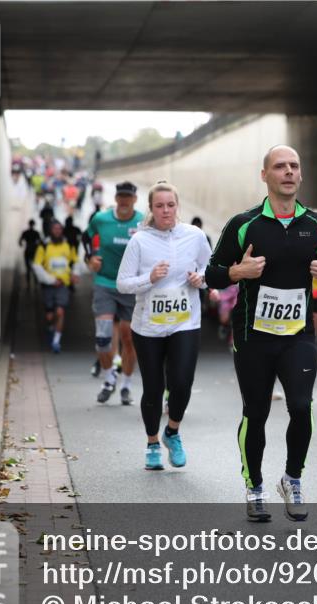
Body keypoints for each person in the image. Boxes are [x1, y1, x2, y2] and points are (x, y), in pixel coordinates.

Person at [206, 145, 317, 522]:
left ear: (300, 175)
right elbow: (211, 273)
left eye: (294, 166)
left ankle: (292, 479)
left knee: (301, 406)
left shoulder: (314, 225)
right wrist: (237, 273)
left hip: (298, 335)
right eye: (279, 166)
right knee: (257, 411)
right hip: (253, 336)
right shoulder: (244, 224)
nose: (288, 172)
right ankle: (254, 486)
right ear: (264, 175)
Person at [117, 182, 210, 471]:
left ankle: (172, 432)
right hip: (148, 327)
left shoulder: (194, 236)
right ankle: (152, 444)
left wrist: (201, 279)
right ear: (151, 209)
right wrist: (150, 279)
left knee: (182, 383)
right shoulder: (140, 241)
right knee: (154, 388)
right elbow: (123, 283)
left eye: (170, 205)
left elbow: (212, 270)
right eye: (160, 206)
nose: (166, 210)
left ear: (177, 206)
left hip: (185, 322)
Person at [87, 181, 143, 406]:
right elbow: (86, 238)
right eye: (120, 196)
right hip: (105, 283)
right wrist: (90, 258)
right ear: (116, 198)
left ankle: (126, 386)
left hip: (130, 287)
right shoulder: (101, 219)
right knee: (103, 339)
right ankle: (110, 378)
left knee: (129, 338)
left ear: (134, 199)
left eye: (128, 197)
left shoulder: (143, 221)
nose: (123, 200)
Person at [32, 220, 80, 353]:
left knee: (60, 311)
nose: (58, 231)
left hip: (63, 285)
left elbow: (75, 261)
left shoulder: (68, 244)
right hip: (48, 285)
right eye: (55, 229)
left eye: (60, 229)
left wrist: (75, 274)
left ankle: (56, 341)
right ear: (50, 230)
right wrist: (50, 280)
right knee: (49, 316)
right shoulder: (44, 246)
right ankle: (50, 328)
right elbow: (36, 265)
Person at [19, 219, 42, 289]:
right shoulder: (36, 233)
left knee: (28, 268)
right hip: (34, 251)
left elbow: (20, 242)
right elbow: (40, 242)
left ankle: (29, 283)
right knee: (35, 267)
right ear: (34, 225)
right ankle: (35, 283)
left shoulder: (26, 232)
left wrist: (24, 244)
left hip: (28, 250)